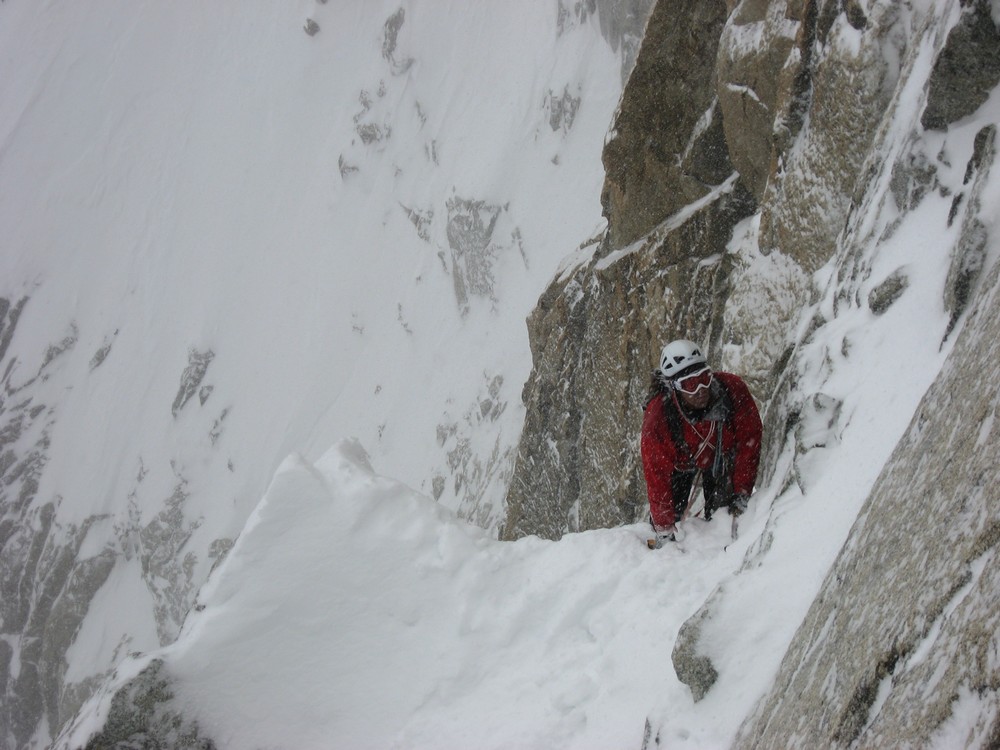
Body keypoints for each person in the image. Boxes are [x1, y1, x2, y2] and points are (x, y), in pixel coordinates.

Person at [641, 339, 762, 545]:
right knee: (673, 512)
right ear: (674, 387)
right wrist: (664, 527)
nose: (700, 389)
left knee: (722, 513)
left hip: (720, 459)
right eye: (690, 384)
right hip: (680, 465)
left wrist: (741, 490)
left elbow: (748, 441)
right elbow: (657, 475)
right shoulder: (659, 417)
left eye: (705, 378)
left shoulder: (732, 391)